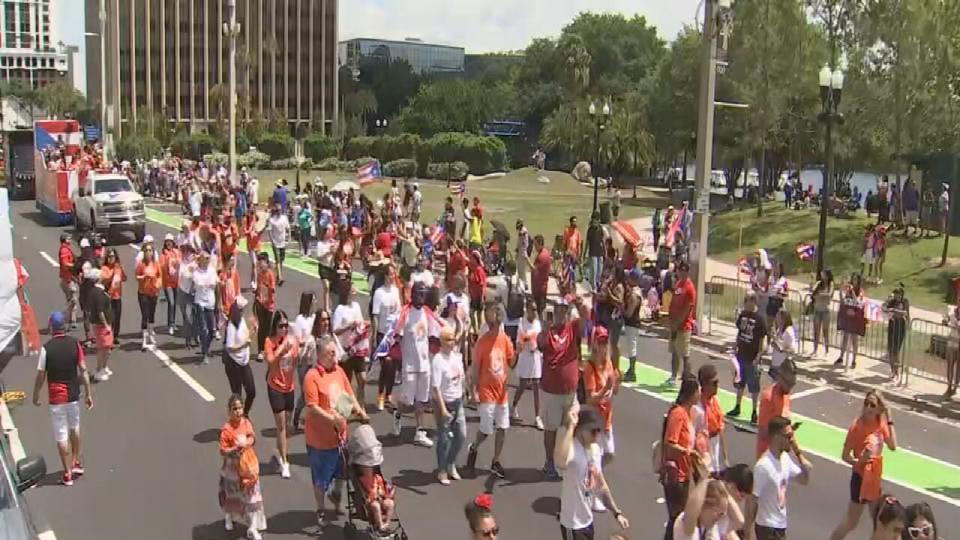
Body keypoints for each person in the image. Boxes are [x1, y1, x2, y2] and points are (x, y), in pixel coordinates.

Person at [303, 335, 368, 527]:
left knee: (342, 472)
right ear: (321, 355)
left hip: (340, 436)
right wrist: (332, 418)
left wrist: (359, 410)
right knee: (320, 477)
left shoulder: (339, 371)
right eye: (331, 353)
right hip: (319, 440)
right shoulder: (312, 377)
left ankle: (336, 496)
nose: (335, 356)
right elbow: (313, 407)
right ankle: (320, 508)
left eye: (335, 352)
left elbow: (349, 393)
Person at [32, 311, 93, 486]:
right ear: (64, 326)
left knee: (61, 435)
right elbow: (83, 370)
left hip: (56, 398)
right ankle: (76, 462)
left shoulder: (46, 349)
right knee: (75, 428)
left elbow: (41, 375)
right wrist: (88, 394)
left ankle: (67, 473)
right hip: (73, 394)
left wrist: (36, 394)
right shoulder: (75, 344)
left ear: (52, 327)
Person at [828, 390, 898, 540]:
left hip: (874, 479)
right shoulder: (857, 427)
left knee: (879, 523)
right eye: (866, 403)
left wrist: (890, 419)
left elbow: (893, 446)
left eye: (872, 405)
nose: (867, 407)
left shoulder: (881, 424)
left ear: (879, 409)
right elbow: (845, 456)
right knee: (851, 522)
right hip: (860, 479)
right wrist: (861, 460)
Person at [555, 404, 630, 539]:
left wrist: (616, 513)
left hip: (588, 521)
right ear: (581, 429)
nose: (597, 435)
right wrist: (571, 426)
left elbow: (600, 485)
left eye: (598, 431)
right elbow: (560, 462)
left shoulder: (594, 450)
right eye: (593, 431)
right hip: (572, 524)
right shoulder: (572, 448)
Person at [538, 295, 588, 480]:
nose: (560, 315)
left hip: (570, 392)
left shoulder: (572, 329)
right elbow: (541, 343)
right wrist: (545, 327)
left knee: (571, 427)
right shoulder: (548, 332)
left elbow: (585, 319)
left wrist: (579, 303)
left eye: (563, 311)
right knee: (550, 429)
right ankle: (549, 462)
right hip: (552, 391)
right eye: (557, 311)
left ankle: (568, 458)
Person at [466, 301, 516, 479]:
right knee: (486, 430)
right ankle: (474, 447)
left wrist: (520, 349)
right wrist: (473, 393)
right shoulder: (483, 342)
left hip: (502, 393)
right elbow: (475, 369)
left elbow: (511, 362)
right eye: (494, 314)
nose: (497, 317)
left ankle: (496, 460)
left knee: (502, 428)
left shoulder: (504, 340)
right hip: (486, 392)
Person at [744, 416, 812, 540]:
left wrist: (800, 456)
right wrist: (748, 531)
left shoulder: (785, 458)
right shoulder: (763, 466)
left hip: (780, 525)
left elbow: (803, 480)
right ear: (776, 437)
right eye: (788, 436)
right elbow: (752, 500)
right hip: (767, 527)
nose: (791, 440)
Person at [393, 282, 441, 447]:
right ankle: (398, 413)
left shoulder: (427, 313)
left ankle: (420, 432)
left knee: (421, 400)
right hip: (410, 365)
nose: (422, 297)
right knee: (408, 403)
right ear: (413, 295)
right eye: (419, 294)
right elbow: (396, 336)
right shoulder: (405, 313)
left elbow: (436, 333)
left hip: (424, 364)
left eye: (424, 294)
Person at [218, 395, 267, 540]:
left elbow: (252, 437)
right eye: (235, 409)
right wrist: (233, 449)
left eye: (240, 408)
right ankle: (229, 516)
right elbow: (222, 450)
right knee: (233, 495)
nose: (238, 411)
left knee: (253, 495)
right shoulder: (226, 430)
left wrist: (247, 442)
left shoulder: (246, 423)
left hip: (248, 465)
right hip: (233, 468)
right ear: (229, 411)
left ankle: (252, 527)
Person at [583, 326, 619, 512]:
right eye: (600, 342)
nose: (604, 346)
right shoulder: (589, 368)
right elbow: (590, 399)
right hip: (594, 421)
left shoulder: (609, 364)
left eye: (606, 342)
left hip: (607, 419)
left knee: (610, 453)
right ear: (594, 344)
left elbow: (614, 391)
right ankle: (594, 496)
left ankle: (590, 473)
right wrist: (606, 389)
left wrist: (616, 384)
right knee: (596, 460)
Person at [660, 376, 700, 540]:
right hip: (676, 474)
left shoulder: (688, 414)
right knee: (676, 517)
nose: (699, 394)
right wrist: (688, 452)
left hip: (684, 472)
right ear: (692, 393)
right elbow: (670, 444)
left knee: (679, 516)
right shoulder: (678, 414)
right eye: (698, 391)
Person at [264, 310, 299, 479]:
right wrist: (281, 350)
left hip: (289, 387)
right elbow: (270, 362)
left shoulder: (293, 341)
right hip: (275, 387)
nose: (284, 329)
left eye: (286, 326)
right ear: (275, 327)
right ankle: (285, 462)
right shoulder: (269, 342)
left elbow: (296, 360)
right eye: (281, 326)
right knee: (281, 426)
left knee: (288, 427)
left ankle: (279, 451)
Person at [673, 456, 744, 540]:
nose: (720, 517)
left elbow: (739, 521)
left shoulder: (711, 526)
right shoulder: (685, 524)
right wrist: (705, 479)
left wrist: (722, 488)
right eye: (719, 513)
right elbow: (693, 506)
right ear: (705, 504)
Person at [432, 325, 466, 485]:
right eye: (448, 339)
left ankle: (451, 462)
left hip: (458, 401)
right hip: (444, 403)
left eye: (453, 339)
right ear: (442, 341)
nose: (452, 342)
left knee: (461, 435)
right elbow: (436, 387)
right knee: (444, 439)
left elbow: (462, 376)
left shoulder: (456, 356)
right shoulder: (438, 361)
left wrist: (467, 392)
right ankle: (442, 470)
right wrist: (443, 409)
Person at [333, 280, 369, 411]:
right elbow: (335, 330)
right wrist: (349, 326)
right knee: (346, 382)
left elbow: (360, 323)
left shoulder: (356, 306)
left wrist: (364, 325)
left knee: (362, 379)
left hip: (357, 349)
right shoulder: (339, 310)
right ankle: (344, 409)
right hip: (346, 349)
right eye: (352, 289)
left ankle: (361, 406)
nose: (354, 291)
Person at [372, 264, 402, 411]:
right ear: (384, 276)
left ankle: (389, 394)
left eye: (393, 274)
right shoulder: (379, 293)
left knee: (394, 366)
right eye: (390, 274)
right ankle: (380, 395)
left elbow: (399, 312)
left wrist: (399, 332)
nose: (392, 277)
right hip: (383, 334)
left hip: (394, 334)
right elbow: (375, 316)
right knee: (387, 364)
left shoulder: (396, 291)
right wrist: (375, 336)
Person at [511, 298, 543, 430]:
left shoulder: (537, 323)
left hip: (535, 356)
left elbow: (540, 339)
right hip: (525, 356)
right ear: (527, 310)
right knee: (523, 385)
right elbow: (520, 342)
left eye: (536, 310)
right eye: (533, 309)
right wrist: (527, 339)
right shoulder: (521, 323)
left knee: (536, 386)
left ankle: (537, 417)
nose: (535, 312)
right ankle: (513, 407)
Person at [756, 360, 797, 458]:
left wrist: (800, 456)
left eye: (792, 384)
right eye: (788, 383)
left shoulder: (785, 395)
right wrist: (783, 433)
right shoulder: (768, 398)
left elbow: (787, 429)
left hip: (781, 455)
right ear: (779, 377)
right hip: (767, 456)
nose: (790, 387)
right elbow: (763, 432)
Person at [224, 297, 256, 416]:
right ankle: (236, 418)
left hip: (244, 362)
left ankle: (245, 414)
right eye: (242, 310)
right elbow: (230, 347)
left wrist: (253, 331)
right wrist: (243, 346)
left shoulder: (241, 321)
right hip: (233, 363)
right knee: (237, 394)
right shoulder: (232, 326)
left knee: (251, 391)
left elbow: (247, 338)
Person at [694, 364, 727, 477]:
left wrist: (725, 458)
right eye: (715, 383)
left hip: (715, 454)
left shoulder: (715, 402)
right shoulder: (697, 407)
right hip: (704, 457)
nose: (718, 385)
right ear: (705, 384)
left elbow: (721, 429)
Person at [667, 261, 696, 385]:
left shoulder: (689, 288)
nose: (681, 273)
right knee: (674, 352)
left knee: (685, 354)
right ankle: (673, 377)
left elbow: (688, 309)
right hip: (674, 324)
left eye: (684, 270)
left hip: (683, 326)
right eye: (680, 270)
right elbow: (673, 302)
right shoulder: (678, 284)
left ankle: (686, 378)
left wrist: (678, 323)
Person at [193, 251, 219, 364]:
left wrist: (206, 283)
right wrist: (206, 283)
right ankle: (204, 354)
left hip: (210, 303)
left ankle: (206, 348)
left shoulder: (212, 270)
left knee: (212, 330)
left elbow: (213, 283)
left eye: (209, 258)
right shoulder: (196, 272)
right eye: (206, 258)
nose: (208, 260)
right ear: (201, 260)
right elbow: (198, 284)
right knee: (204, 329)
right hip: (200, 302)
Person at [88, 269, 114, 381]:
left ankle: (104, 366)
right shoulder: (97, 293)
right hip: (101, 325)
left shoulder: (98, 291)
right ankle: (99, 370)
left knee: (106, 347)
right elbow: (100, 312)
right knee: (103, 348)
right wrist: (106, 325)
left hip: (103, 324)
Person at [135, 243, 162, 351]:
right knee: (144, 315)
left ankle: (151, 334)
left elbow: (160, 276)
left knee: (152, 314)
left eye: (150, 250)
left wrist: (157, 285)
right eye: (146, 251)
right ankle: (144, 339)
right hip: (143, 292)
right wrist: (144, 277)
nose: (148, 253)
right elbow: (137, 276)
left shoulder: (155, 264)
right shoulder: (141, 265)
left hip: (153, 292)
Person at [98, 248, 126, 346]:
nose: (111, 258)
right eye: (109, 256)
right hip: (108, 297)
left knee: (117, 317)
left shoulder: (118, 267)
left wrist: (121, 270)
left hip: (117, 296)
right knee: (110, 318)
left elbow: (124, 278)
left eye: (113, 256)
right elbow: (103, 280)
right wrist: (112, 274)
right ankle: (108, 337)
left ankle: (116, 336)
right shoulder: (104, 268)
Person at [882, 285, 910, 381]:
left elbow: (905, 313)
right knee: (890, 350)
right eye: (896, 294)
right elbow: (883, 308)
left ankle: (896, 371)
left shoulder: (905, 302)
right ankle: (892, 370)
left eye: (899, 294)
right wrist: (887, 299)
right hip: (892, 327)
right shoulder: (892, 301)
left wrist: (908, 324)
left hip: (900, 328)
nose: (897, 296)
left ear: (902, 294)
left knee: (896, 351)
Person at [254, 252, 277, 362]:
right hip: (260, 304)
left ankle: (266, 349)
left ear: (266, 263)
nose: (260, 265)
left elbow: (272, 289)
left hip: (269, 306)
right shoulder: (259, 274)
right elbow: (258, 289)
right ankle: (260, 350)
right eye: (259, 263)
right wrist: (258, 298)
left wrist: (267, 288)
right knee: (261, 328)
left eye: (262, 262)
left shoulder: (270, 274)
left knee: (267, 329)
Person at [177, 243, 199, 349]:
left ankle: (194, 336)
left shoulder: (195, 264)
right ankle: (188, 339)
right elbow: (181, 275)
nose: (186, 254)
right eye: (184, 252)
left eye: (188, 252)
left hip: (193, 293)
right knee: (186, 317)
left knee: (194, 316)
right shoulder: (182, 263)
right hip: (183, 292)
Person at [159, 234, 181, 335]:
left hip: (176, 282)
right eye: (167, 241)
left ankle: (172, 323)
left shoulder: (177, 252)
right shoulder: (163, 254)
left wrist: (177, 263)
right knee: (171, 303)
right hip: (167, 283)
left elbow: (180, 263)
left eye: (170, 241)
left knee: (175, 303)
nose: (169, 243)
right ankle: (171, 324)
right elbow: (162, 267)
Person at [810, 270, 834, 355]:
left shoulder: (830, 284)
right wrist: (812, 282)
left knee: (825, 331)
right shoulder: (818, 283)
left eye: (824, 274)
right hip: (817, 309)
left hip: (825, 311)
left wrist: (820, 295)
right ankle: (815, 350)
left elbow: (829, 295)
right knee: (816, 331)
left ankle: (826, 350)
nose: (822, 276)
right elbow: (812, 293)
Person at [58, 234, 79, 329]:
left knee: (73, 299)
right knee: (72, 300)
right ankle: (65, 317)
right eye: (68, 238)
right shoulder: (64, 250)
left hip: (70, 278)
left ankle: (72, 321)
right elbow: (64, 263)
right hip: (67, 279)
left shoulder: (67, 248)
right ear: (64, 240)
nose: (70, 239)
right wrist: (74, 266)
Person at [769, 309, 796, 381]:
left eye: (778, 317)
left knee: (780, 389)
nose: (776, 319)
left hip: (783, 365)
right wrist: (773, 338)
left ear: (783, 319)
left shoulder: (789, 331)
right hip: (776, 364)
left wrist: (781, 349)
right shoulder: (779, 329)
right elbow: (778, 343)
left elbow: (792, 349)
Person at [528, 234, 552, 316]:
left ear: (540, 243)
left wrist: (527, 260)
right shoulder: (545, 253)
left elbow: (535, 270)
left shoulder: (542, 256)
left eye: (536, 245)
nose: (534, 247)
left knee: (540, 312)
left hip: (539, 288)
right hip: (541, 286)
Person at [267, 203, 290, 285]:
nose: (279, 211)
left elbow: (288, 228)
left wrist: (289, 237)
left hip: (283, 242)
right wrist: (272, 241)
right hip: (275, 242)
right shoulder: (272, 220)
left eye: (280, 210)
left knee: (282, 259)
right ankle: (280, 277)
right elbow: (269, 231)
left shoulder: (284, 218)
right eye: (277, 210)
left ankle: (278, 273)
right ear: (275, 211)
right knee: (277, 259)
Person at [944, 304, 960, 399]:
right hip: (951, 343)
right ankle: (949, 386)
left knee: (958, 368)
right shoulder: (952, 312)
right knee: (950, 365)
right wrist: (945, 321)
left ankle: (955, 387)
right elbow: (946, 320)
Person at [586, 213, 605, 291]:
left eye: (597, 220)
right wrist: (584, 253)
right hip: (592, 253)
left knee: (600, 270)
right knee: (594, 270)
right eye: (595, 220)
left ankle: (598, 284)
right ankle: (594, 287)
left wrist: (605, 251)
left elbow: (602, 240)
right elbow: (587, 242)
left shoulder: (600, 228)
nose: (596, 222)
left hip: (600, 252)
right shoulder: (590, 230)